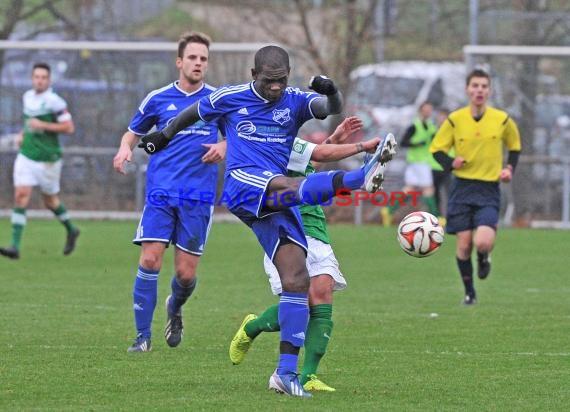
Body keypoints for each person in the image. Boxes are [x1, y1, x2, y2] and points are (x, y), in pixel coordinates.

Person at [138, 45, 397, 397]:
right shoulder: (231, 97)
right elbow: (192, 113)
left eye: (281, 80)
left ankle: (284, 374)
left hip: (276, 198)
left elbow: (330, 109)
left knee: (296, 279)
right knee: (291, 186)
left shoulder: (294, 100)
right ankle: (357, 180)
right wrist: (162, 135)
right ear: (253, 74)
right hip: (245, 184)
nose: (275, 87)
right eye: (269, 81)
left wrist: (330, 90)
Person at [229, 116, 364, 393]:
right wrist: (360, 148)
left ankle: (308, 375)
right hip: (285, 229)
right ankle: (253, 327)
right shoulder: (262, 150)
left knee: (322, 294)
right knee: (302, 303)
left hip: (317, 230)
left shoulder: (292, 145)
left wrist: (335, 139)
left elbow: (312, 162)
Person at [112, 32, 227, 353]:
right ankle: (142, 338)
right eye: (192, 57)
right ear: (180, 62)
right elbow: (131, 134)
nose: (198, 63)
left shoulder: (218, 100)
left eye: (203, 59)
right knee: (149, 259)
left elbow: (240, 137)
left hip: (198, 198)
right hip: (160, 195)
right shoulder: (158, 98)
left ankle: (174, 308)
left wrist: (223, 145)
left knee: (185, 274)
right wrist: (124, 151)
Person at [430, 68, 521, 305]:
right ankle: (469, 293)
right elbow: (436, 149)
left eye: (484, 86)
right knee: (463, 244)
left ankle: (484, 256)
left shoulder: (501, 119)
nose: (479, 90)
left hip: (489, 189)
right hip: (461, 188)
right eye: (475, 86)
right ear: (467, 89)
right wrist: (451, 162)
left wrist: (509, 169)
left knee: (482, 242)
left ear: (489, 91)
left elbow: (514, 146)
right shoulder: (455, 119)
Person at [0, 62, 79, 260]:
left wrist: (42, 124)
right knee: (21, 195)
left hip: (48, 159)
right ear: (32, 78)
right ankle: (15, 246)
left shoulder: (55, 102)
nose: (40, 80)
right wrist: (21, 133)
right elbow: (29, 123)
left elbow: (69, 128)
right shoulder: (27, 97)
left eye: (43, 77)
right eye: (37, 77)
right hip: (26, 155)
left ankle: (71, 229)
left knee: (50, 201)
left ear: (49, 80)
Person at [380, 102, 439, 226]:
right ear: (420, 111)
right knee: (428, 189)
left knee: (409, 189)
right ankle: (437, 217)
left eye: (430, 109)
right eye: (426, 109)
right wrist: (417, 144)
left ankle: (388, 211)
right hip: (418, 162)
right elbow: (403, 142)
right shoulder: (414, 126)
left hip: (421, 162)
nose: (428, 112)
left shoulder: (431, 126)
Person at [428, 107, 452, 224]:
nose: (442, 119)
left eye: (444, 117)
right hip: (434, 166)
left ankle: (451, 217)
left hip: (448, 167)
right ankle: (437, 217)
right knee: (435, 192)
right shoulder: (433, 131)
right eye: (440, 117)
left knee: (451, 192)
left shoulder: (453, 131)